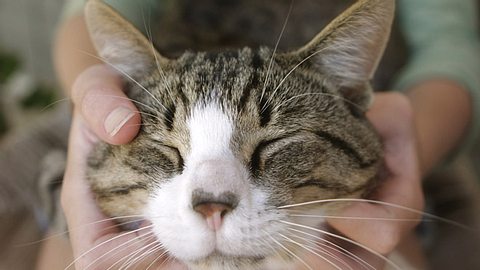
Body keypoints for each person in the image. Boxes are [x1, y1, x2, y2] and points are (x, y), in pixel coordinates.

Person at [39, 0, 480, 269]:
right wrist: (96, 99)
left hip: (385, 102)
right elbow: (90, 13)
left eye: (272, 147)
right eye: (167, 151)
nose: (212, 203)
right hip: (174, 57)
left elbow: (450, 46)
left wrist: (409, 149)